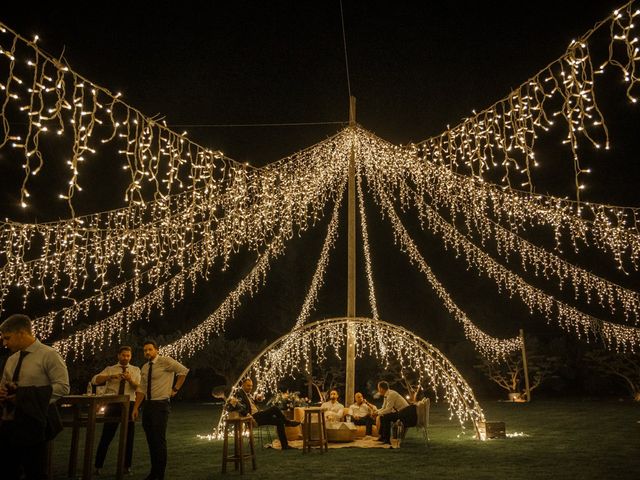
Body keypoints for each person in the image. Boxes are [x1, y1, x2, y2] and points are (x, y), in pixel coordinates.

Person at [0, 313, 70, 479]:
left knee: (35, 472)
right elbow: (4, 384)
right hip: (10, 423)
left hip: (35, 422)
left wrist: (25, 397)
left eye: (7, 338)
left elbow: (63, 387)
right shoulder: (12, 359)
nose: (4, 343)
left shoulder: (49, 354)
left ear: (21, 333)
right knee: (7, 469)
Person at [132, 340, 188, 480]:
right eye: (145, 350)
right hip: (148, 406)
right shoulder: (144, 367)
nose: (147, 352)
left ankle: (159, 474)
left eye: (150, 349)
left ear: (156, 350)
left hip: (161, 405)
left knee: (159, 440)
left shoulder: (165, 361)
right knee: (151, 440)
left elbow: (183, 371)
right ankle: (153, 473)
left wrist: (175, 389)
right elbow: (141, 389)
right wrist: (135, 407)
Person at [94, 346, 141, 475]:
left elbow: (139, 387)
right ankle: (98, 466)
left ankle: (127, 467)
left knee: (129, 437)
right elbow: (95, 380)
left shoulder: (136, 370)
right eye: (123, 355)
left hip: (129, 403)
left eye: (128, 356)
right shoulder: (110, 369)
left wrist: (130, 379)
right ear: (118, 356)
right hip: (113, 403)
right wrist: (111, 376)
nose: (126, 358)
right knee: (106, 435)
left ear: (131, 357)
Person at [234, 378, 300, 450]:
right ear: (243, 385)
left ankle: (285, 446)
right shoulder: (239, 394)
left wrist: (257, 400)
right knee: (274, 408)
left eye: (251, 386)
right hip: (252, 417)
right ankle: (287, 422)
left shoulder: (248, 394)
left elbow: (251, 405)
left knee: (279, 421)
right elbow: (240, 407)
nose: (250, 388)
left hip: (259, 416)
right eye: (248, 386)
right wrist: (248, 415)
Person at [372, 381, 417, 445]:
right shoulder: (386, 395)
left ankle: (387, 440)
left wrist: (377, 414)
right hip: (400, 412)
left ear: (381, 388)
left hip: (405, 413)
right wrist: (376, 412)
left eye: (378, 388)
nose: (378, 390)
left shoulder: (391, 394)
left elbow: (388, 409)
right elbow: (383, 408)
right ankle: (382, 437)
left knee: (386, 417)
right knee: (383, 416)